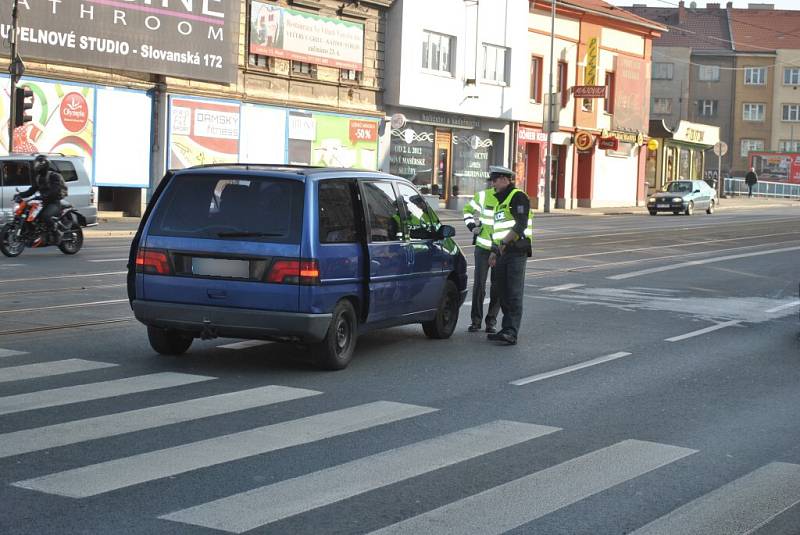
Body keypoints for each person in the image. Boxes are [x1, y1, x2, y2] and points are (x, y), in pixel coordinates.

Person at [486, 166, 533, 346]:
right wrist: (494, 251)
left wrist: (504, 244)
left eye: (495, 179)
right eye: (492, 180)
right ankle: (505, 328)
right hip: (501, 253)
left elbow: (520, 224)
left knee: (513, 292)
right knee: (501, 291)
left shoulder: (518, 197)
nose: (493, 183)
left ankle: (511, 331)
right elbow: (495, 230)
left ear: (505, 179)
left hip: (515, 251)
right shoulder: (499, 201)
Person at [462, 173, 501, 333]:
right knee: (479, 285)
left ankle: (491, 322)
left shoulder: (512, 197)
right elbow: (467, 210)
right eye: (494, 181)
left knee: (497, 287)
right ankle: (476, 321)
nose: (494, 183)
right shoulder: (484, 196)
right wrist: (472, 226)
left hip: (500, 249)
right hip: (483, 248)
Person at [15, 155, 68, 243]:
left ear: (44, 165)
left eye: (38, 164)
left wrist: (45, 195)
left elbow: (55, 190)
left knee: (45, 216)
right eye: (36, 164)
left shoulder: (54, 176)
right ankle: (34, 233)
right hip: (43, 201)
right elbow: (32, 190)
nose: (36, 165)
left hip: (54, 202)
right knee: (29, 213)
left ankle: (57, 233)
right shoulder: (38, 177)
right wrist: (20, 195)